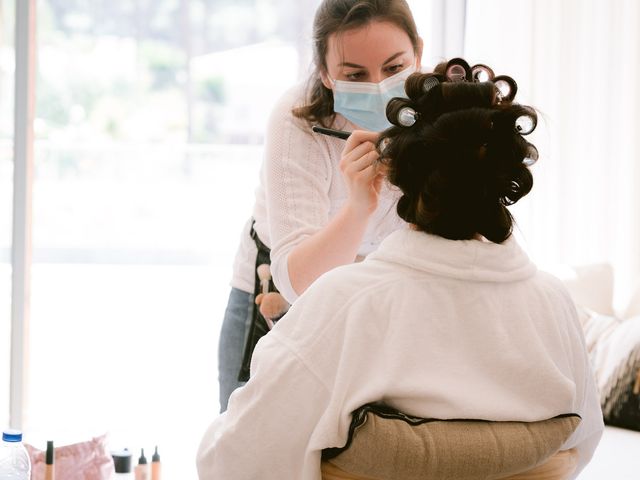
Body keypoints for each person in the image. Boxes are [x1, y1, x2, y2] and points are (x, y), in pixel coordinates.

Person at [197, 59, 604, 479]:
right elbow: (583, 443)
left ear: (393, 169)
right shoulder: (553, 304)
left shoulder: (346, 302)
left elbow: (230, 459)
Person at [218, 0, 424, 411]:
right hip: (275, 287)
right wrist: (358, 207)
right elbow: (299, 280)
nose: (380, 87)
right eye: (355, 75)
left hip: (383, 295)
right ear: (325, 72)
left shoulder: (436, 115)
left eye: (394, 67)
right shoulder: (296, 120)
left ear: (418, 52)